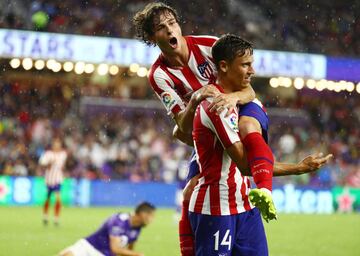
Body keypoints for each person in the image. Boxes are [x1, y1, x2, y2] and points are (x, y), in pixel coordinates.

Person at [133, 2, 332, 255]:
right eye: (161, 28)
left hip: (242, 105)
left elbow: (248, 86)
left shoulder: (208, 45)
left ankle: (264, 190)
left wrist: (233, 98)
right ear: (152, 37)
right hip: (211, 118)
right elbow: (181, 126)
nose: (170, 30)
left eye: (172, 23)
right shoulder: (158, 75)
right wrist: (196, 99)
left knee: (247, 127)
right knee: (190, 188)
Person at [189, 34, 332, 255]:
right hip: (217, 208)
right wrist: (297, 168)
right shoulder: (215, 105)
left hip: (245, 204)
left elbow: (249, 95)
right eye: (245, 65)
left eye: (251, 64)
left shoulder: (239, 98)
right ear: (224, 66)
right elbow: (247, 165)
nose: (252, 71)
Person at [59, 202, 156, 256]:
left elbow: (129, 250)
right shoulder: (119, 221)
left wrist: (132, 254)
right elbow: (115, 248)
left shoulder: (138, 228)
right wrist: (137, 255)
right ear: (143, 214)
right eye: (151, 216)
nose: (152, 219)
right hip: (89, 246)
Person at [39, 137, 68, 226]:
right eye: (55, 143)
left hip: (58, 179)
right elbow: (42, 165)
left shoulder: (63, 154)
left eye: (58, 143)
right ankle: (45, 216)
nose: (57, 145)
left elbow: (63, 166)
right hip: (49, 180)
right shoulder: (48, 154)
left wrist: (64, 171)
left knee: (58, 199)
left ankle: (56, 218)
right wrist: (49, 163)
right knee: (48, 198)